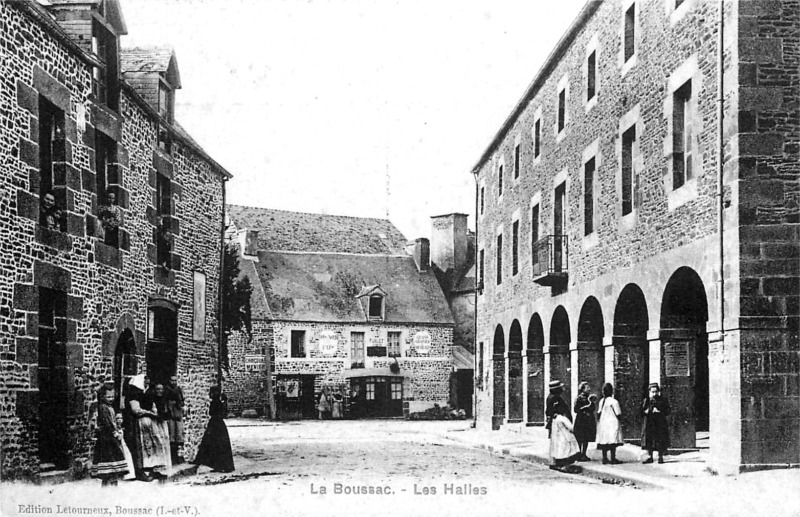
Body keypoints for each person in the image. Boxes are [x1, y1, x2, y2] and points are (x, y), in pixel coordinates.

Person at [127, 374, 171, 481]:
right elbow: (136, 410)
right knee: (141, 447)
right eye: (144, 381)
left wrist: (154, 412)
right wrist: (150, 413)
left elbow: (153, 407)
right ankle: (140, 471)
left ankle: (154, 469)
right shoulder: (134, 395)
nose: (146, 383)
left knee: (153, 445)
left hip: (149, 423)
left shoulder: (145, 394)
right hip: (137, 423)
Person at [90, 385, 128, 486]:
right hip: (106, 438)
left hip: (111, 437)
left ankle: (112, 483)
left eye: (112, 397)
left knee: (113, 462)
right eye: (108, 397)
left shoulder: (110, 407)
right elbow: (107, 423)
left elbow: (113, 421)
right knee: (109, 461)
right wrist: (115, 433)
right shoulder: (103, 407)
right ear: (102, 397)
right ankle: (108, 485)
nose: (111, 399)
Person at [194, 386, 235, 473]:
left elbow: (211, 413)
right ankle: (221, 465)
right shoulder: (220, 402)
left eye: (211, 392)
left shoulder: (214, 403)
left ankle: (217, 465)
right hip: (219, 425)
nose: (210, 394)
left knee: (213, 444)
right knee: (220, 445)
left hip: (215, 424)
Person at [546, 380, 579, 470]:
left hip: (559, 423)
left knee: (559, 443)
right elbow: (551, 411)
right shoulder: (554, 398)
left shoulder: (555, 397)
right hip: (560, 424)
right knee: (562, 442)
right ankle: (561, 461)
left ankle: (557, 461)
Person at [641, 383, 671, 464]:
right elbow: (641, 411)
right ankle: (650, 457)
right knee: (649, 440)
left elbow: (667, 411)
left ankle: (660, 457)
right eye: (653, 392)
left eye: (656, 392)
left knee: (660, 440)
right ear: (649, 392)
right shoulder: (646, 400)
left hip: (659, 423)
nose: (654, 394)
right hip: (649, 423)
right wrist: (645, 411)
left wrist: (660, 411)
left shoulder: (663, 400)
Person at [596, 382, 623, 465]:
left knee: (605, 440)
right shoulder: (614, 401)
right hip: (612, 422)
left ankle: (604, 458)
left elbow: (599, 412)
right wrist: (621, 421)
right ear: (612, 391)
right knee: (612, 440)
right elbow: (618, 413)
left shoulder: (602, 401)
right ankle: (613, 458)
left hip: (604, 422)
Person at [573, 381, 597, 461]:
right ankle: (579, 453)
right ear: (582, 389)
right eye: (587, 387)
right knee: (580, 437)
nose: (589, 389)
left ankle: (584, 453)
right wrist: (586, 407)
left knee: (586, 437)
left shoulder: (590, 397)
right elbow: (576, 409)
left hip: (588, 419)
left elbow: (593, 408)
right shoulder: (579, 398)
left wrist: (592, 403)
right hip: (581, 419)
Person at [166, 375, 185, 463]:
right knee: (171, 434)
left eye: (175, 380)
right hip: (171, 414)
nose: (173, 382)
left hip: (178, 414)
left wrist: (179, 404)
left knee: (179, 434)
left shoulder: (178, 389)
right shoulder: (167, 389)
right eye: (172, 380)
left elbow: (181, 401)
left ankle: (178, 455)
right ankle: (172, 456)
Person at [116, 412, 137, 480]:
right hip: (118, 444)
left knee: (127, 456)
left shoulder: (121, 428)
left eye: (121, 418)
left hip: (123, 444)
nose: (119, 420)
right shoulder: (116, 428)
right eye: (117, 418)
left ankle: (129, 475)